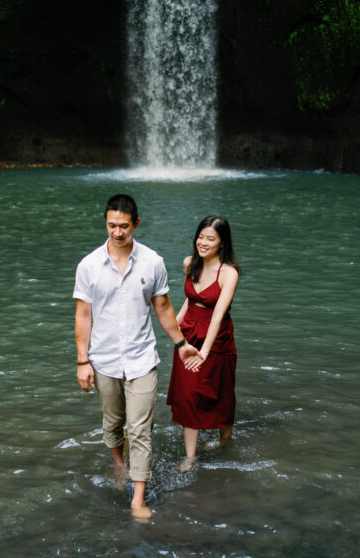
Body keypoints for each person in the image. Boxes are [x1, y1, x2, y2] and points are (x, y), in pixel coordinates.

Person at [74, 194, 198, 519]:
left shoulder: (152, 262)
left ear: (136, 224)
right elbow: (83, 315)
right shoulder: (89, 266)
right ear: (106, 223)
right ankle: (118, 463)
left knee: (140, 429)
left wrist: (181, 342)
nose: (117, 232)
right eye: (112, 225)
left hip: (142, 358)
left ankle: (137, 499)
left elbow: (163, 307)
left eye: (124, 226)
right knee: (113, 423)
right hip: (103, 361)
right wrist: (82, 361)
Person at [166, 215, 242, 472]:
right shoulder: (190, 263)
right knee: (189, 395)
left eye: (210, 238)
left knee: (220, 393)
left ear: (221, 243)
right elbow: (191, 299)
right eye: (200, 236)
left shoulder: (229, 272)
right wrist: (174, 327)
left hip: (217, 338)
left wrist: (205, 353)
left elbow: (218, 314)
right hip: (189, 333)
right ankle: (190, 456)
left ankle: (224, 441)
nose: (203, 242)